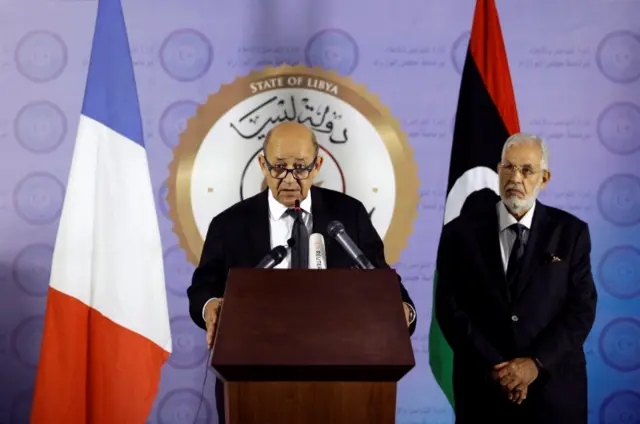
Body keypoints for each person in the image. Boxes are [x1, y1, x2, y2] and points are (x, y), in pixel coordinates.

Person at [187, 121, 417, 423]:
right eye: (279, 167)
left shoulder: (349, 215)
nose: (290, 178)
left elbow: (379, 278)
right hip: (251, 375)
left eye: (301, 167)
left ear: (318, 164)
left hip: (340, 376)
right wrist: (210, 307)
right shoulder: (229, 224)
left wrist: (403, 311)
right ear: (262, 164)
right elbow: (202, 288)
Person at [435, 133, 597, 424]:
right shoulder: (459, 233)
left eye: (526, 170)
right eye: (508, 167)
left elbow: (581, 311)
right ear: (498, 170)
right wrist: (498, 368)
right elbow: (450, 309)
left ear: (544, 178)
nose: (515, 178)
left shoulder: (571, 233)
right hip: (483, 391)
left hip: (554, 392)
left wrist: (535, 364)